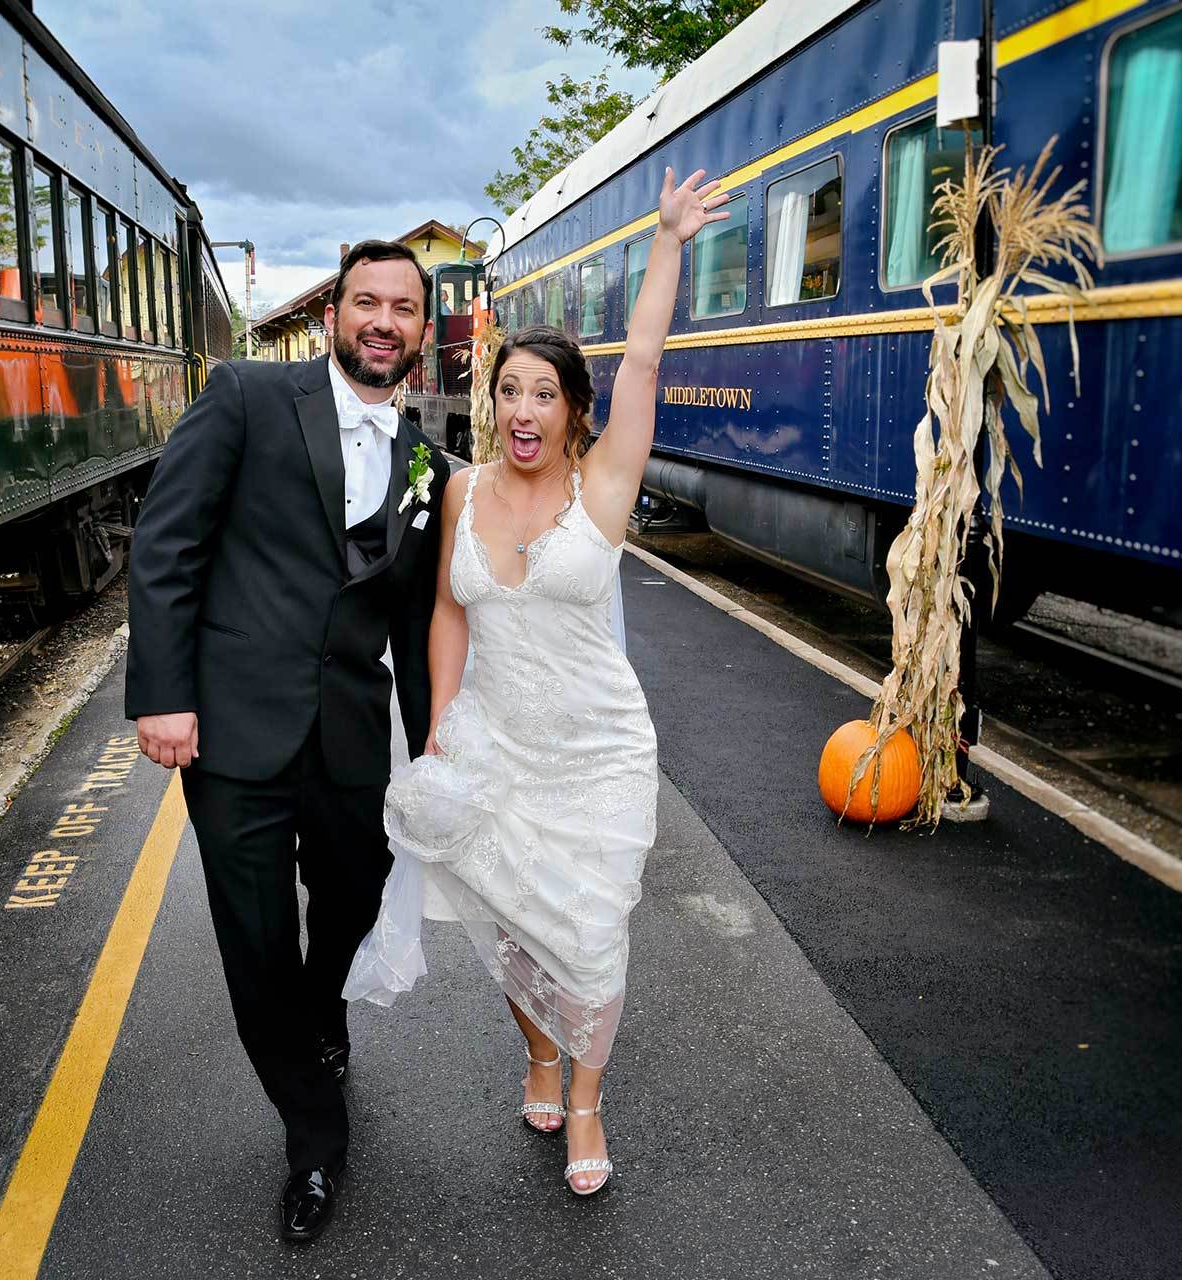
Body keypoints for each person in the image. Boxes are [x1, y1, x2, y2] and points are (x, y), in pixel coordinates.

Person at [383, 169, 728, 1196]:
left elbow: (651, 356)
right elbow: (448, 608)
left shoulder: (605, 482)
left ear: (576, 412)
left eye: (545, 393)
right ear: (490, 403)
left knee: (588, 929)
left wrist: (667, 243)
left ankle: (585, 1096)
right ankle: (538, 1054)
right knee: (512, 925)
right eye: (510, 390)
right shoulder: (459, 490)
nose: (523, 408)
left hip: (595, 748)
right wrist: (441, 721)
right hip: (494, 739)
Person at [125, 240, 452, 1242]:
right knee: (257, 943)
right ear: (333, 315)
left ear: (423, 331)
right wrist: (162, 694)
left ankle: (324, 1012)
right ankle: (315, 1134)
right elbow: (167, 541)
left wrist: (434, 743)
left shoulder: (428, 463)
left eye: (403, 306)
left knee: (353, 893)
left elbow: (409, 618)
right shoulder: (245, 398)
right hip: (230, 730)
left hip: (349, 730)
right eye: (366, 301)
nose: (382, 320)